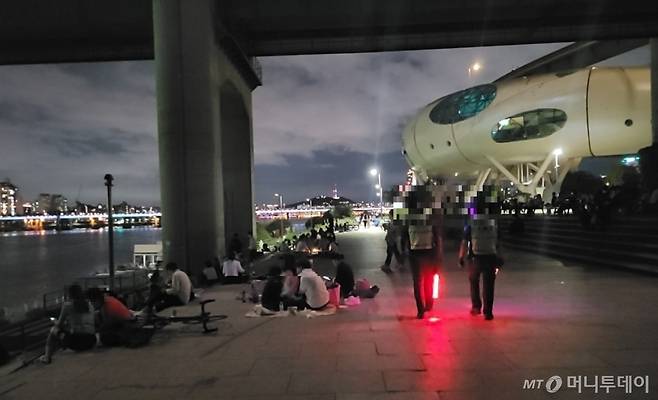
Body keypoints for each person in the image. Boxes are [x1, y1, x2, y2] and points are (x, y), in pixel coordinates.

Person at [459, 189, 503, 321]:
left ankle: (476, 307)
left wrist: (461, 256)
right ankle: (488, 312)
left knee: (474, 282)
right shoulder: (493, 222)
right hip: (491, 256)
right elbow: (498, 241)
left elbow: (465, 241)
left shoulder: (472, 223)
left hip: (475, 257)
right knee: (489, 285)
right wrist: (501, 256)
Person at [401, 186, 443, 319]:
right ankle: (429, 304)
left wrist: (404, 251)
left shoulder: (408, 218)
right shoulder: (430, 217)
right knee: (428, 280)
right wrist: (438, 254)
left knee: (417, 282)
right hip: (429, 252)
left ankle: (420, 310)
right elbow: (437, 236)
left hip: (414, 253)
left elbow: (404, 237)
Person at [41, 284, 96, 363]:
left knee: (54, 330)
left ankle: (47, 357)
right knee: (67, 331)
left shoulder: (67, 306)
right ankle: (56, 350)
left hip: (77, 343)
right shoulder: (90, 305)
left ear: (70, 294)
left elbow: (59, 324)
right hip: (91, 341)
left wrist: (54, 321)